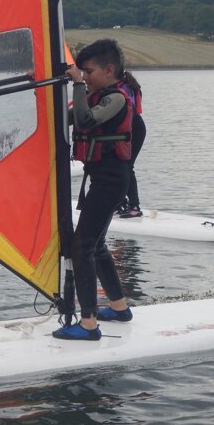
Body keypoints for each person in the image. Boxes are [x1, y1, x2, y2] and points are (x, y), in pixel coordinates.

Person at [53, 39, 133, 341]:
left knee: (82, 246)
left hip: (112, 181)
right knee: (95, 245)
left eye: (88, 72)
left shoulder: (116, 98)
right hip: (101, 179)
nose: (85, 77)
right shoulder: (95, 96)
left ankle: (88, 324)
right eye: (82, 72)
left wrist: (76, 84)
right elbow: (67, 118)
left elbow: (85, 122)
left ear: (109, 70)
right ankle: (119, 308)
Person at [116, 71, 146, 218]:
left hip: (134, 127)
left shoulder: (122, 88)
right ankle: (121, 203)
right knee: (121, 165)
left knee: (126, 166)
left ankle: (134, 206)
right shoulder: (127, 85)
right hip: (132, 126)